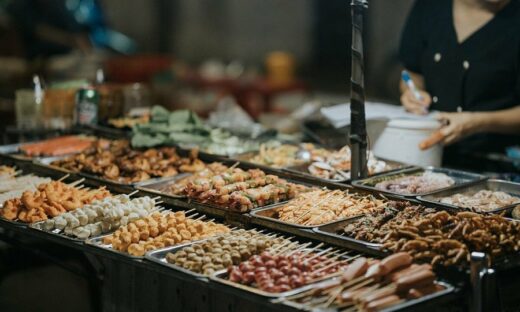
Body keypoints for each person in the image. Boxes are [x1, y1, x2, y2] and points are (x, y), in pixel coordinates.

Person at [399, 0, 520, 166]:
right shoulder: (430, 7)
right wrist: (412, 93)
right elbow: (411, 72)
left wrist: (476, 122)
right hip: (429, 152)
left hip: (499, 161)